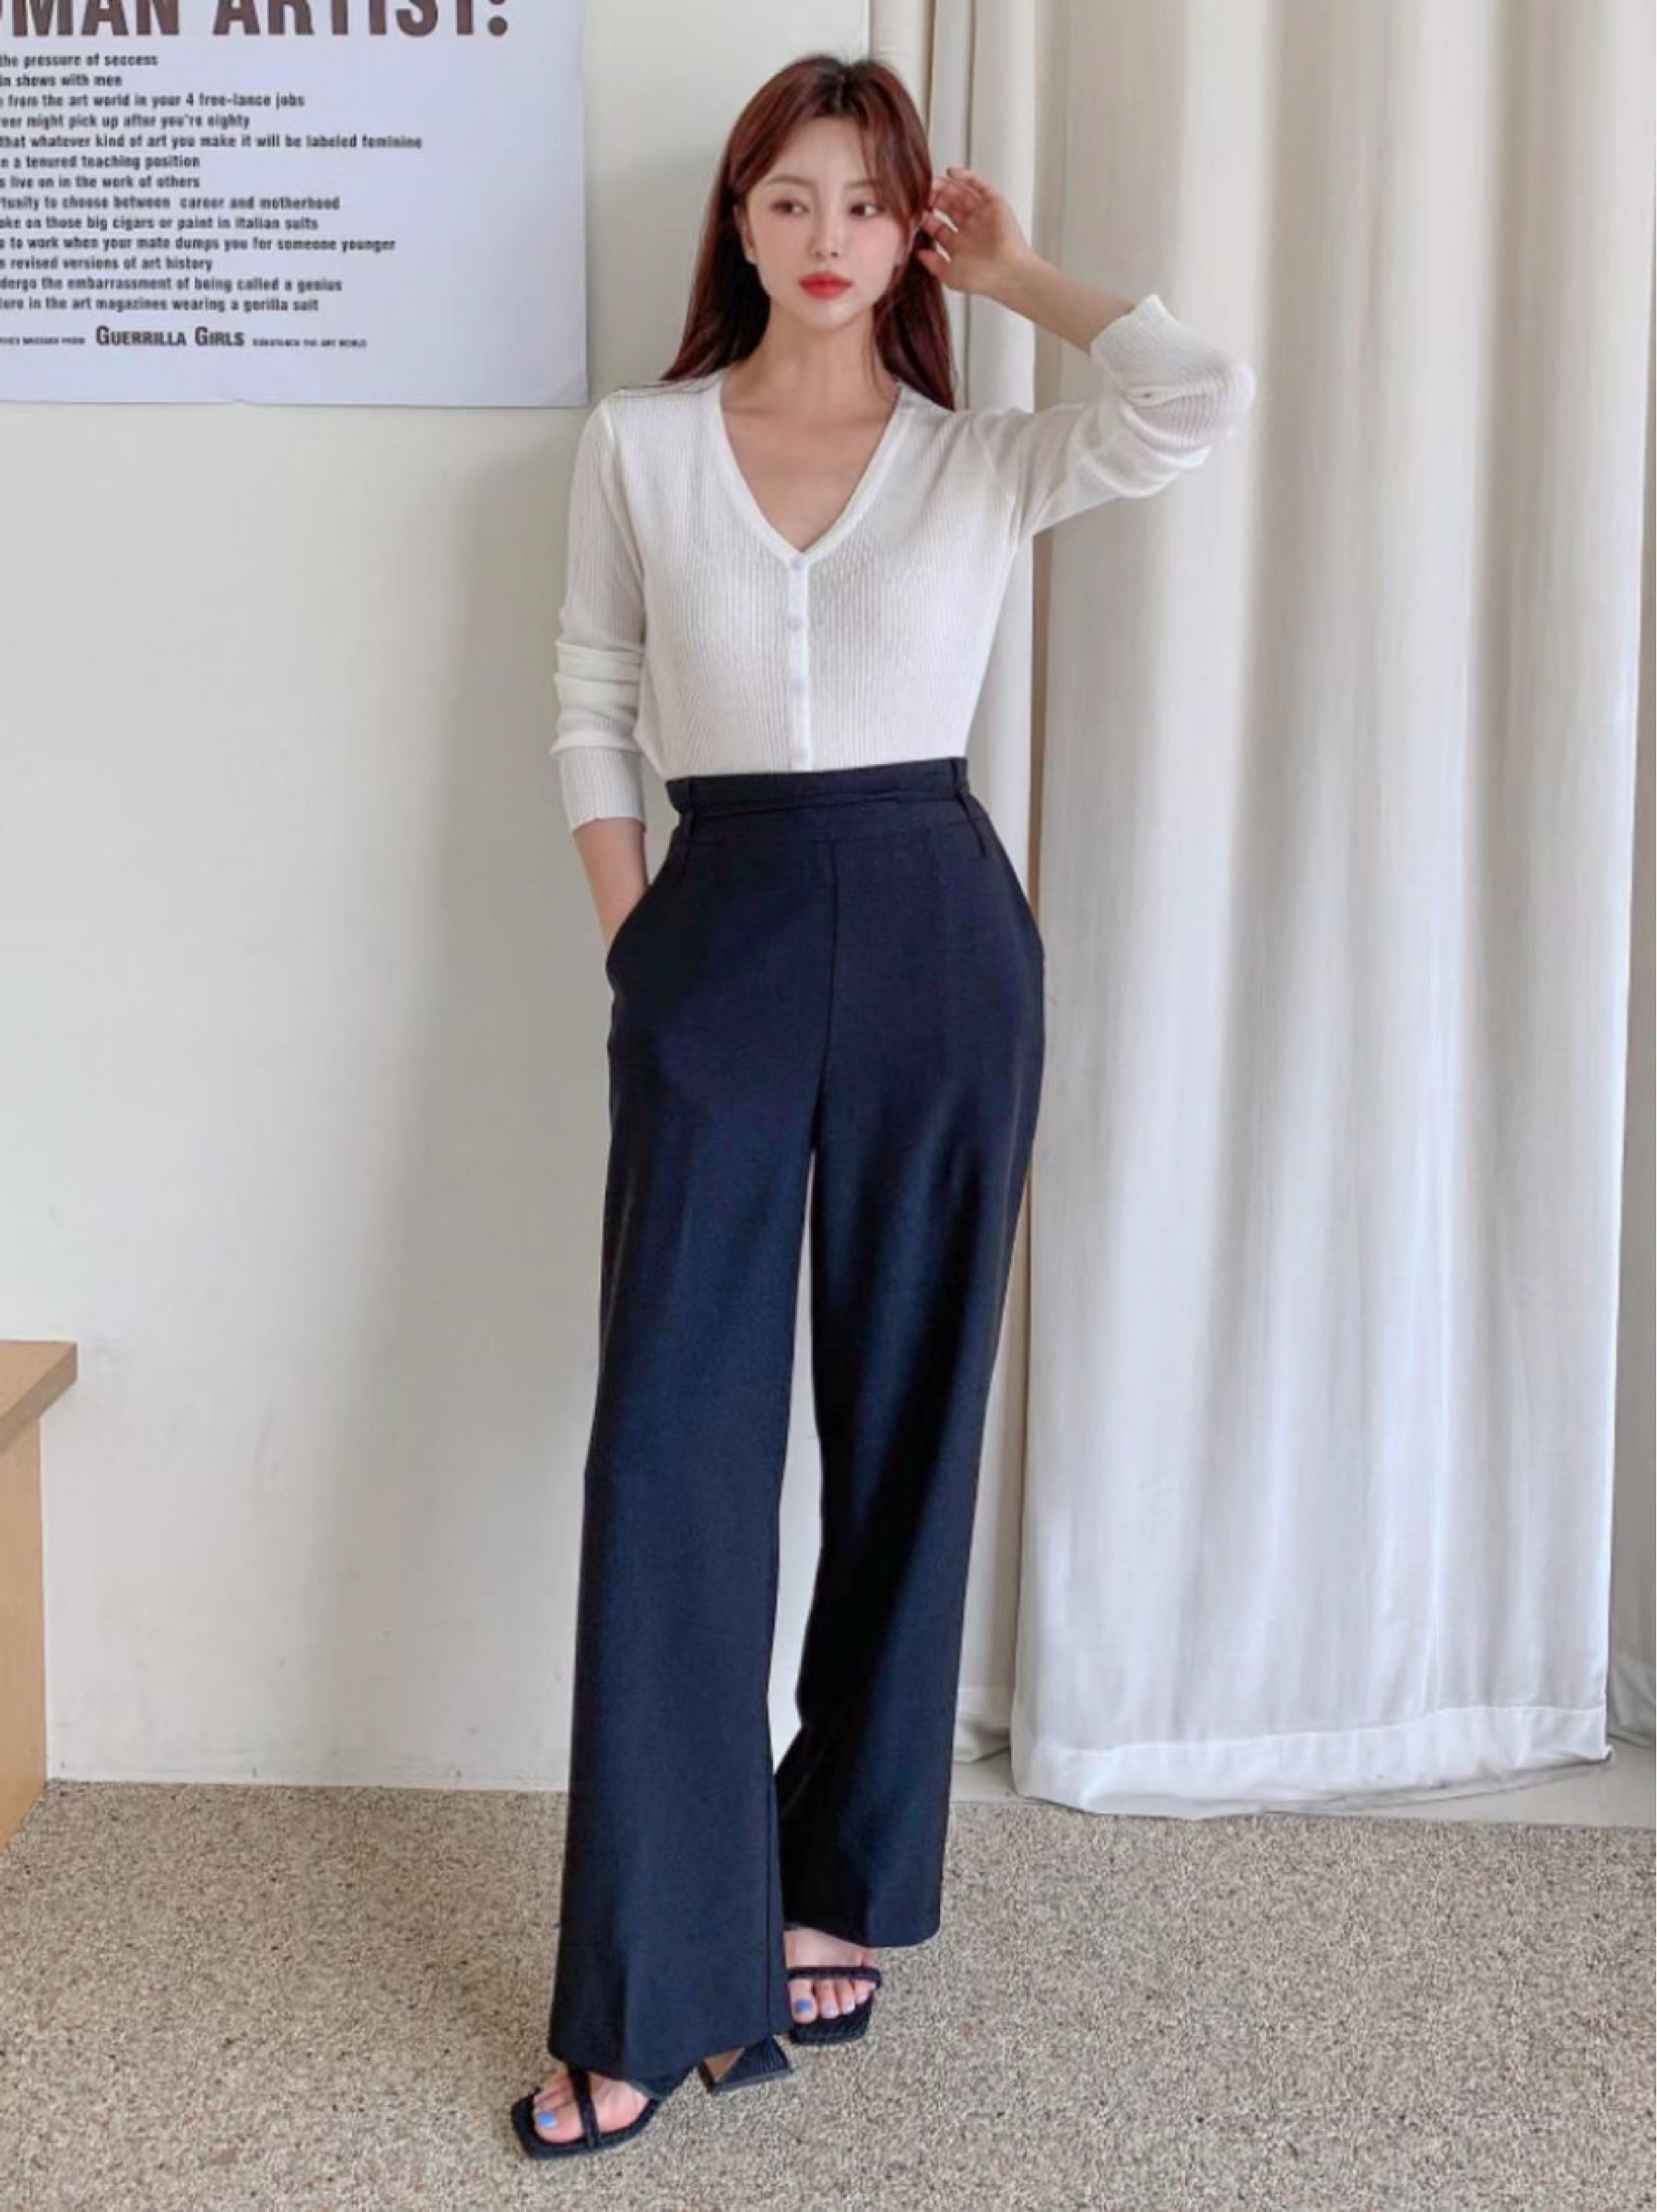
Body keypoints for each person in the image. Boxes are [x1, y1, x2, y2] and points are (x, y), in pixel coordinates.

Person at [512, 50, 1256, 2161]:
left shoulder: (976, 460)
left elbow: (1194, 396)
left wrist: (1020, 279)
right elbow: (588, 701)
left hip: (938, 933)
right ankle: (651, 1983)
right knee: (671, 1456)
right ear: (737, 225)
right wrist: (639, 951)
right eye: (788, 197)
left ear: (906, 227)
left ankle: (832, 1874)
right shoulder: (639, 445)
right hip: (719, 938)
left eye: (864, 200)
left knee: (908, 1423)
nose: (825, 235)